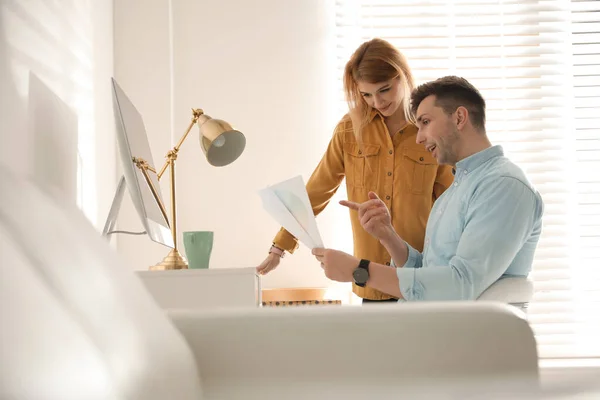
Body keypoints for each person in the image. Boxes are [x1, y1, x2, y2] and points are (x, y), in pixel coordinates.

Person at [256, 38, 454, 302]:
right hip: (370, 282)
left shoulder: (430, 130)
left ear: (402, 76)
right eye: (366, 94)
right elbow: (315, 192)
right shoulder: (349, 131)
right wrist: (278, 248)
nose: (377, 102)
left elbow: (453, 203)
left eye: (384, 90)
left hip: (420, 280)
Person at [312, 76, 544, 301]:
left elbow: (460, 285)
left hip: (447, 336)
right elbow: (428, 271)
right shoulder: (455, 190)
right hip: (426, 328)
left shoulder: (502, 186)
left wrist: (359, 270)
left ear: (459, 118)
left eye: (425, 122)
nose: (419, 139)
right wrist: (388, 236)